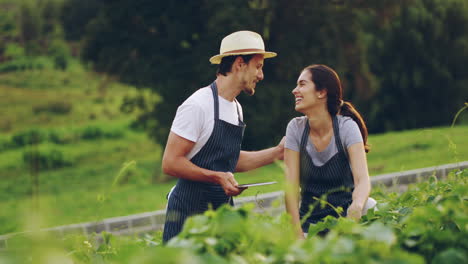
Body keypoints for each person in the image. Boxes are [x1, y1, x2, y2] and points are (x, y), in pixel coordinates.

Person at [162, 31, 285, 242]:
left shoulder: (236, 108)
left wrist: (278, 152)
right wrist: (217, 177)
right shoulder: (198, 105)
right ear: (239, 64)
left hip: (221, 216)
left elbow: (228, 159)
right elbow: (170, 163)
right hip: (187, 218)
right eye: (258, 66)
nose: (261, 75)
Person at [283, 64, 376, 239]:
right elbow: (291, 190)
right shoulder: (295, 128)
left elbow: (362, 179)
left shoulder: (346, 127)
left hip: (349, 218)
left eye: (302, 84)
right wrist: (297, 236)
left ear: (321, 92)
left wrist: (356, 207)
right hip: (310, 224)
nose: (295, 90)